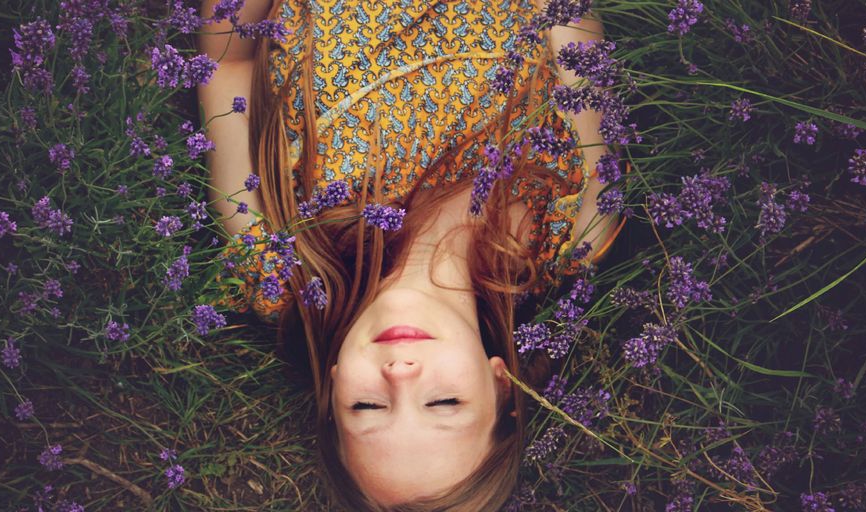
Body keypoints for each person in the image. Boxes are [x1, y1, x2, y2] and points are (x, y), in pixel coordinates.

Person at [197, 0, 629, 509]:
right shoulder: (575, 228)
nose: (400, 374)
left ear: (333, 394)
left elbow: (227, 64)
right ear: (502, 388)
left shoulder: (276, 262)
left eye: (368, 406)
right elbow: (571, 27)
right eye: (444, 402)